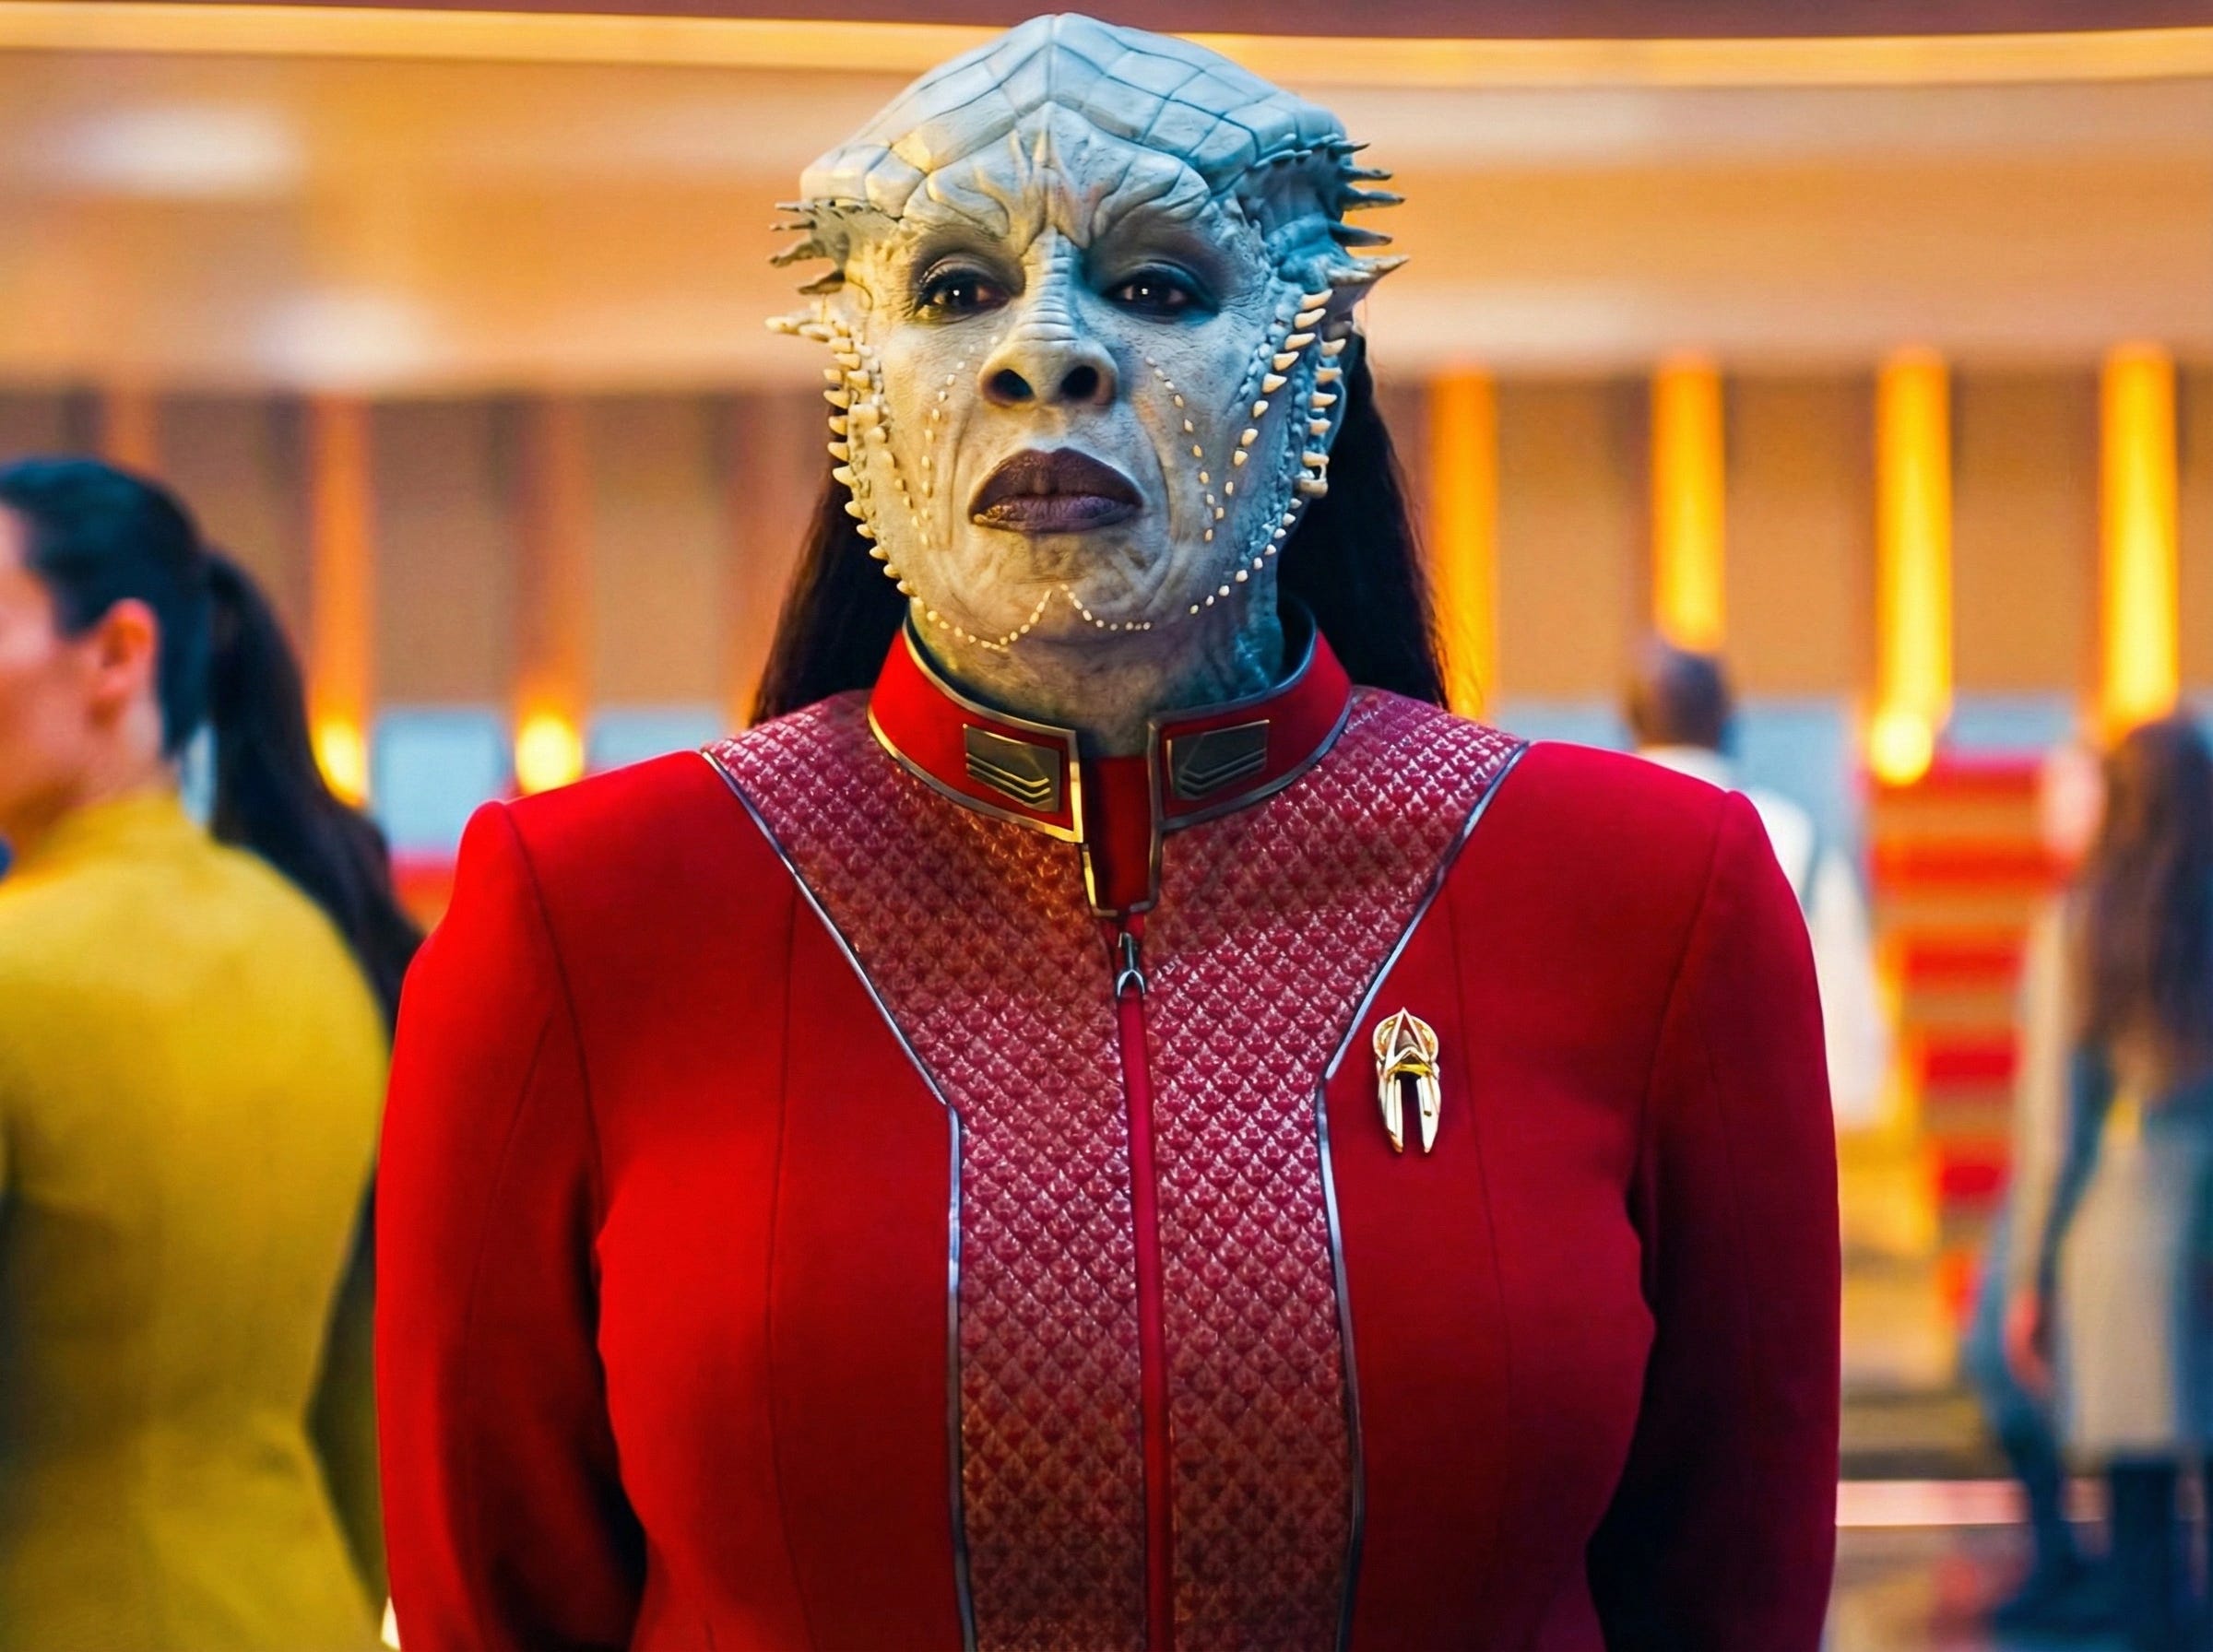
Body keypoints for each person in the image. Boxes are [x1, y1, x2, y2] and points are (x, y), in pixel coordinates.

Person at [378, 18, 1841, 1649]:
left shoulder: (1651, 900)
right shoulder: (587, 920)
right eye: (956, 290)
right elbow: (487, 1603)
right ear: (855, 378)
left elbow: (1732, 1592)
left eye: (1157, 283)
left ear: (1313, 355)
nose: (1047, 355)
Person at [0, 457, 408, 1649]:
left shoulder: (19, 968)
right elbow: (365, 1411)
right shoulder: (319, 951)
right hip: (302, 1605)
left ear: (117, 655)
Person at [2009, 716, 2213, 1652]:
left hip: (2125, 1221)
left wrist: (2029, 1276)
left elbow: (2057, 1127)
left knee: (2137, 1520)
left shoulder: (2085, 923)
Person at [1628, 637, 1889, 1129]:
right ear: (1727, 723)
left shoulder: (1594, 838)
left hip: (1627, 1144)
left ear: (1631, 724)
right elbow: (1848, 1034)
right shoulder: (1796, 839)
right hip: (1762, 1130)